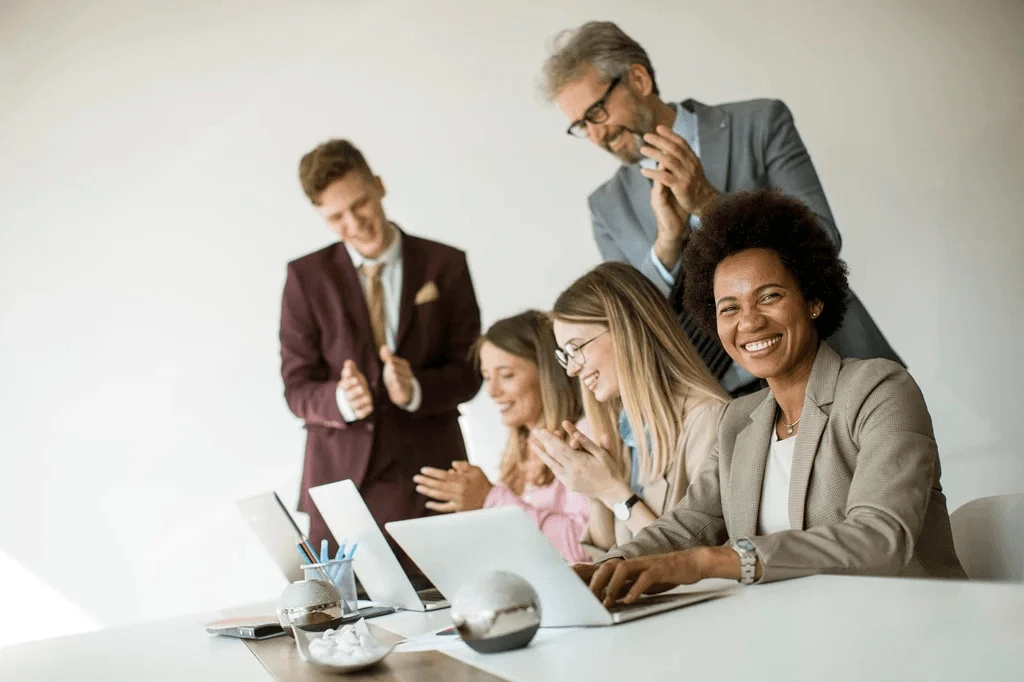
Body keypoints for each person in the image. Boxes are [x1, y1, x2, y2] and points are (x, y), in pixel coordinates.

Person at [574, 190, 965, 605]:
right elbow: (686, 526)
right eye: (728, 308)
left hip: (912, 630)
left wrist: (710, 562)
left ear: (813, 299)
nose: (750, 322)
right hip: (798, 639)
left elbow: (880, 539)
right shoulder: (738, 421)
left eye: (769, 297)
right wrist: (603, 572)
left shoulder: (880, 390)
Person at [541, 21, 902, 396]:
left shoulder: (761, 124)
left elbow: (823, 239)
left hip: (835, 366)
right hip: (723, 407)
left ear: (638, 79)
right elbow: (630, 329)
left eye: (597, 112)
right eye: (582, 126)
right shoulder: (606, 207)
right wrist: (666, 245)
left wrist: (707, 202)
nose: (597, 136)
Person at [280, 139, 482, 555]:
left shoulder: (445, 264)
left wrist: (417, 390)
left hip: (429, 477)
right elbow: (296, 388)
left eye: (361, 204)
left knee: (440, 601)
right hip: (337, 484)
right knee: (341, 613)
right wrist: (339, 399)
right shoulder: (305, 278)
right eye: (336, 216)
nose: (354, 223)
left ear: (379, 185)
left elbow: (470, 371)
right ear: (320, 214)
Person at [530, 262, 727, 556]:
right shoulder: (625, 430)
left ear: (627, 332)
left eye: (576, 348)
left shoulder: (709, 419)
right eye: (565, 356)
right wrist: (594, 490)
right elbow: (603, 561)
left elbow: (696, 562)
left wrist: (612, 492)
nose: (571, 369)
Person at [411, 311, 592, 563]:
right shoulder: (519, 449)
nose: (493, 391)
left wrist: (489, 499)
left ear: (548, 373)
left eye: (506, 375)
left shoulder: (582, 436)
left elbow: (586, 549)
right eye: (487, 378)